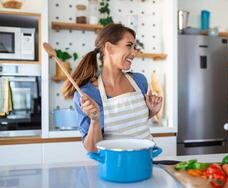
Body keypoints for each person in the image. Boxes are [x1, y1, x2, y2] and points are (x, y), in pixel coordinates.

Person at [62, 23, 163, 152]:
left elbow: (130, 123)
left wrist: (152, 111)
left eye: (134, 47)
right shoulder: (86, 95)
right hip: (114, 164)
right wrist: (95, 120)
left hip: (147, 158)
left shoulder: (139, 81)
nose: (134, 53)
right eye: (129, 46)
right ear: (109, 48)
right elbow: (92, 149)